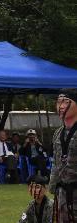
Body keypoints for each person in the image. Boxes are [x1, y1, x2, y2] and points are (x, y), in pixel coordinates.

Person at [51, 89, 77, 223]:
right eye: (58, 102)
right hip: (62, 192)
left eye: (66, 102)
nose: (60, 106)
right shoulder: (58, 133)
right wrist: (53, 186)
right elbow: (55, 162)